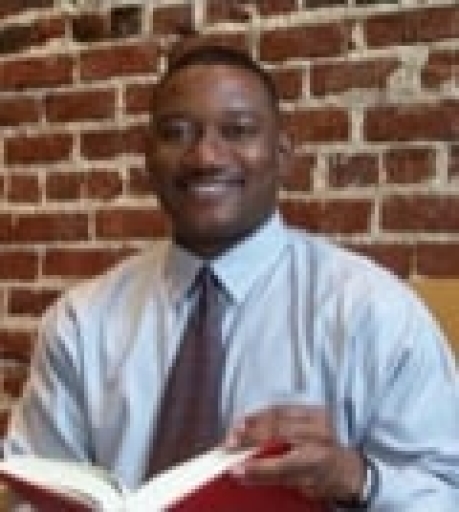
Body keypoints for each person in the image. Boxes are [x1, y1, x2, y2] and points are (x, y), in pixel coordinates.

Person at [3, 43, 459, 511]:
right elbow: (32, 495)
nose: (205, 156)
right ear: (148, 158)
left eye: (238, 130)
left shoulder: (373, 312)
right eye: (177, 133)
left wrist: (352, 475)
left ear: (282, 154)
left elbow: (446, 492)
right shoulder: (80, 323)